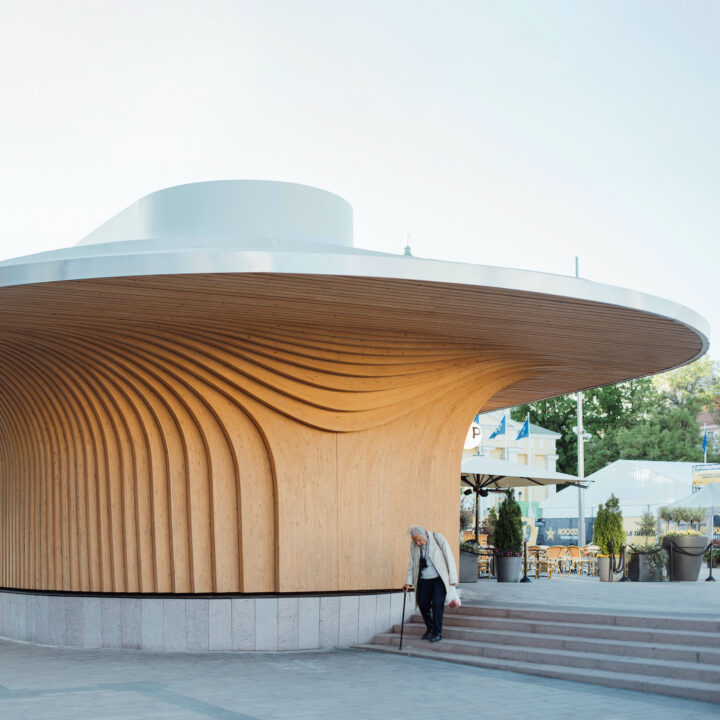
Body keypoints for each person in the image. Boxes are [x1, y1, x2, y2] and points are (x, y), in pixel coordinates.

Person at [403, 525, 458, 642]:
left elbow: (449, 557)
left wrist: (453, 579)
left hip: (439, 578)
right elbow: (412, 564)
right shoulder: (414, 545)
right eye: (415, 541)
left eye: (419, 540)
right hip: (423, 579)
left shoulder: (437, 538)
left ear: (425, 535)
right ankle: (430, 628)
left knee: (437, 604)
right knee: (422, 603)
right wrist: (408, 583)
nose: (417, 543)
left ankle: (437, 632)